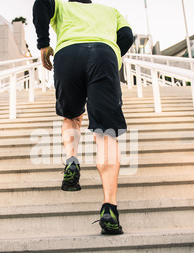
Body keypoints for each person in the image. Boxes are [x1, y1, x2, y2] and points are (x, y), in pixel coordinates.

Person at [33, 0, 134, 235]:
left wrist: (44, 44)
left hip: (68, 55)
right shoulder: (111, 11)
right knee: (106, 132)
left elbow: (41, 3)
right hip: (104, 54)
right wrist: (113, 52)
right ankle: (109, 207)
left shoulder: (61, 6)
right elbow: (127, 36)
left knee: (71, 116)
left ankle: (71, 161)